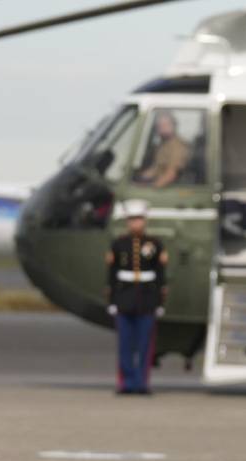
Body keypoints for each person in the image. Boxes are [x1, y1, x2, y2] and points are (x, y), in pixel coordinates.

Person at [105, 199, 168, 395]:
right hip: (124, 299)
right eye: (132, 219)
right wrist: (113, 301)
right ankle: (126, 383)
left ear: (145, 221)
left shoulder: (155, 244)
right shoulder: (118, 244)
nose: (136, 223)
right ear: (127, 222)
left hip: (147, 299)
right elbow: (111, 275)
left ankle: (142, 383)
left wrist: (159, 302)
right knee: (125, 345)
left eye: (139, 219)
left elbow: (160, 275)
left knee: (144, 345)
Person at [137, 111, 189, 188]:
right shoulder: (163, 144)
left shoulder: (178, 146)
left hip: (169, 188)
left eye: (165, 125)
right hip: (159, 183)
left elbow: (171, 174)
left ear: (173, 125)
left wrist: (150, 188)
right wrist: (140, 179)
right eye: (159, 126)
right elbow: (156, 169)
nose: (161, 128)